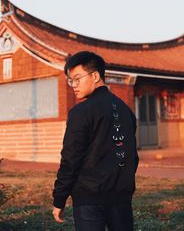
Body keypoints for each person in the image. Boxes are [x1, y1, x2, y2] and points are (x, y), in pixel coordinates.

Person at [52, 51, 139, 231]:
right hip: (121, 198)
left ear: (95, 76)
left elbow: (70, 159)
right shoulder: (126, 111)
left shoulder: (80, 112)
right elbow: (132, 156)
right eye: (70, 81)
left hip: (89, 200)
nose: (73, 85)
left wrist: (59, 198)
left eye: (77, 78)